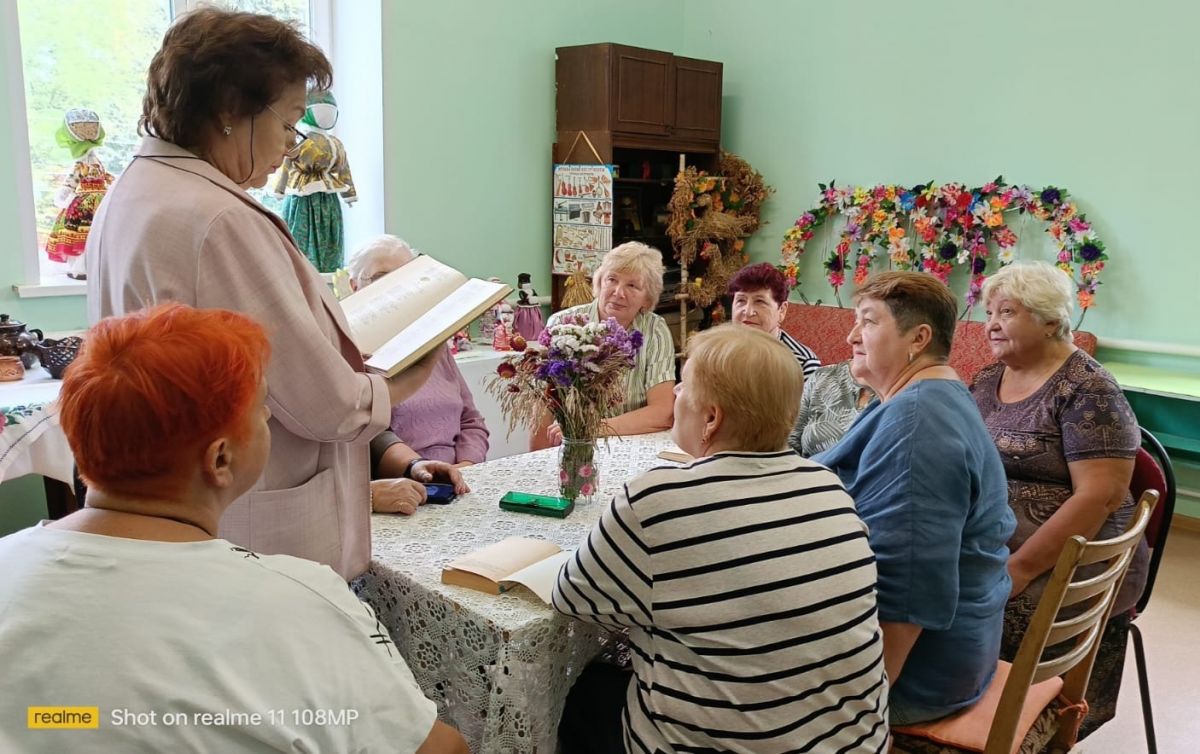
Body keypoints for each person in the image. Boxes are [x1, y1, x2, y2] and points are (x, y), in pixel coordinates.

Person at [0, 303, 467, 754]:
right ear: (220, 459)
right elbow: (437, 750)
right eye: (264, 410)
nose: (268, 420)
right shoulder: (298, 604)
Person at [85, 8, 443, 579]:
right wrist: (403, 376)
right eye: (288, 121)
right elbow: (323, 404)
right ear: (232, 110)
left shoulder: (135, 190)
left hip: (170, 499)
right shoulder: (217, 218)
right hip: (252, 525)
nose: (292, 145)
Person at [552, 324, 889, 754]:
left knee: (580, 695)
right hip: (852, 743)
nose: (674, 395)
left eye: (684, 386)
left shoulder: (658, 498)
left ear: (711, 418)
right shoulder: (827, 487)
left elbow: (573, 598)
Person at [812, 271, 1015, 726]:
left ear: (918, 339)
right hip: (950, 651)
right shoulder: (926, 396)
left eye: (867, 321)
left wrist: (862, 716)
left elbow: (908, 586)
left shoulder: (920, 423)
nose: (850, 335)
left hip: (920, 673)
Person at [971, 261, 1145, 738]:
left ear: (1051, 319)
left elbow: (1102, 496)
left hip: (1070, 553)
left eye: (1007, 312)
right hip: (999, 539)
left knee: (962, 598)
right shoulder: (988, 379)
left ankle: (1008, 725)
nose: (991, 324)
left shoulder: (1088, 388)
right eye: (989, 312)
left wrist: (1022, 567)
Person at [345, 236, 482, 515]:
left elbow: (472, 421)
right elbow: (366, 433)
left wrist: (465, 466)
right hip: (398, 492)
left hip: (456, 485)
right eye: (382, 278)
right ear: (354, 286)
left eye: (405, 278)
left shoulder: (433, 346)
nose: (395, 289)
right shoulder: (350, 353)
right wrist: (419, 468)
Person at [534, 242, 675, 447]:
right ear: (600, 282)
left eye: (632, 285)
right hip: (572, 443)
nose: (618, 292)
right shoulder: (562, 324)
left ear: (647, 299)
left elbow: (662, 412)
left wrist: (597, 428)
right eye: (612, 279)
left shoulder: (655, 330)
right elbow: (542, 407)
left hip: (635, 442)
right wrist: (536, 460)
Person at [727, 262, 821, 376]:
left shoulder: (802, 364)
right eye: (741, 300)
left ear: (782, 310)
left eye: (759, 301)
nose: (747, 311)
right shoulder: (719, 350)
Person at [788, 359, 875, 456]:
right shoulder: (823, 377)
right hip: (803, 469)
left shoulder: (893, 398)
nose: (852, 342)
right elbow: (789, 443)